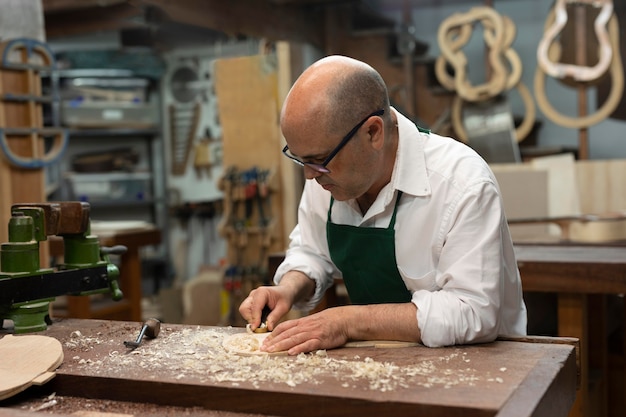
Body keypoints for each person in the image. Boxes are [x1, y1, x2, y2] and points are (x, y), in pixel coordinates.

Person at [239, 55, 527, 355]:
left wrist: (347, 321)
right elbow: (311, 251)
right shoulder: (329, 175)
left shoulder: (462, 183)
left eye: (318, 160)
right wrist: (288, 288)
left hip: (482, 368)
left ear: (373, 132)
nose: (309, 175)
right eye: (300, 159)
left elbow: (474, 312)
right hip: (383, 362)